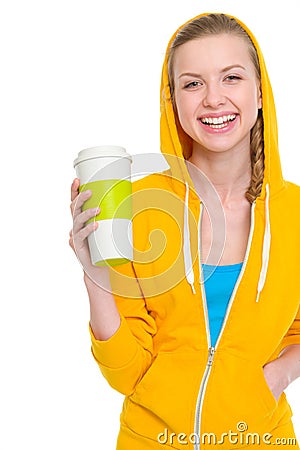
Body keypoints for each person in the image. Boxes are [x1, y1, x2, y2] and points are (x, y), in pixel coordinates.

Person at [69, 12, 300, 449]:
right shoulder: (138, 206)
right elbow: (126, 374)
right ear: (172, 100)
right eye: (192, 83)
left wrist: (278, 375)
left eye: (231, 77)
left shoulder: (296, 213)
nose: (213, 99)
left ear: (260, 92)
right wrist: (96, 278)